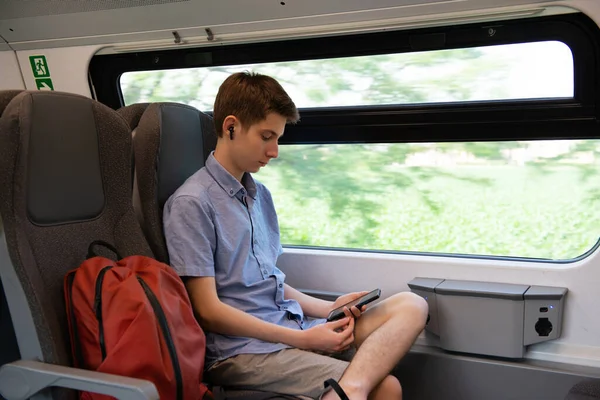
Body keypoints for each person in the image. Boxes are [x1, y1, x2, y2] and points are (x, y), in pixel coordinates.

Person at [163, 71, 428, 400]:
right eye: (266, 136)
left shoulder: (260, 196)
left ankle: (347, 391)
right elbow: (208, 310)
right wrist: (303, 340)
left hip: (289, 327)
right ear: (231, 127)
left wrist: (330, 308)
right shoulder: (192, 203)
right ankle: (352, 390)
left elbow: (265, 279)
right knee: (386, 387)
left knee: (411, 305)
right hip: (241, 352)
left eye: (278, 139)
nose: (274, 151)